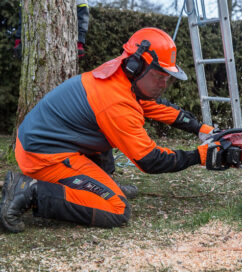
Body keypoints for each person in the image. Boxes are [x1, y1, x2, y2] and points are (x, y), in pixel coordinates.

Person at [0, 27, 220, 233]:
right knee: (116, 208)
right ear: (137, 65)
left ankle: (103, 183)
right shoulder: (115, 102)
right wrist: (200, 156)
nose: (163, 84)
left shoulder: (121, 75)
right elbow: (150, 160)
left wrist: (204, 130)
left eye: (167, 78)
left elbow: (155, 106)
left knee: (105, 139)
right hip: (43, 155)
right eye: (159, 76)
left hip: (48, 141)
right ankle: (30, 190)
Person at [14, 0, 90, 59]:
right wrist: (19, 38)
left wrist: (79, 41)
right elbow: (24, 15)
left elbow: (82, 12)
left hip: (64, 43)